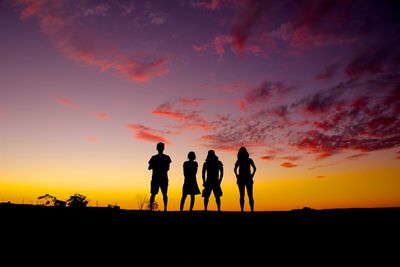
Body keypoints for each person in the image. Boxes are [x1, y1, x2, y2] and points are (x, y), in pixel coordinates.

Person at [148, 142, 171, 211]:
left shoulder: (154, 158)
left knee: (156, 194)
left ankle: (160, 208)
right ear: (163, 148)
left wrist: (155, 166)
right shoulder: (165, 157)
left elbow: (149, 167)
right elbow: (167, 168)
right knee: (162, 194)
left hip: (158, 178)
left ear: (157, 148)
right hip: (160, 178)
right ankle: (164, 208)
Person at [234, 147, 256, 212]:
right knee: (248, 195)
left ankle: (244, 210)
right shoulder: (244, 160)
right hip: (244, 178)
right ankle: (248, 210)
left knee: (244, 195)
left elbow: (235, 169)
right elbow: (235, 169)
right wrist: (237, 175)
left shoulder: (248, 160)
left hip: (245, 178)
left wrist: (237, 176)